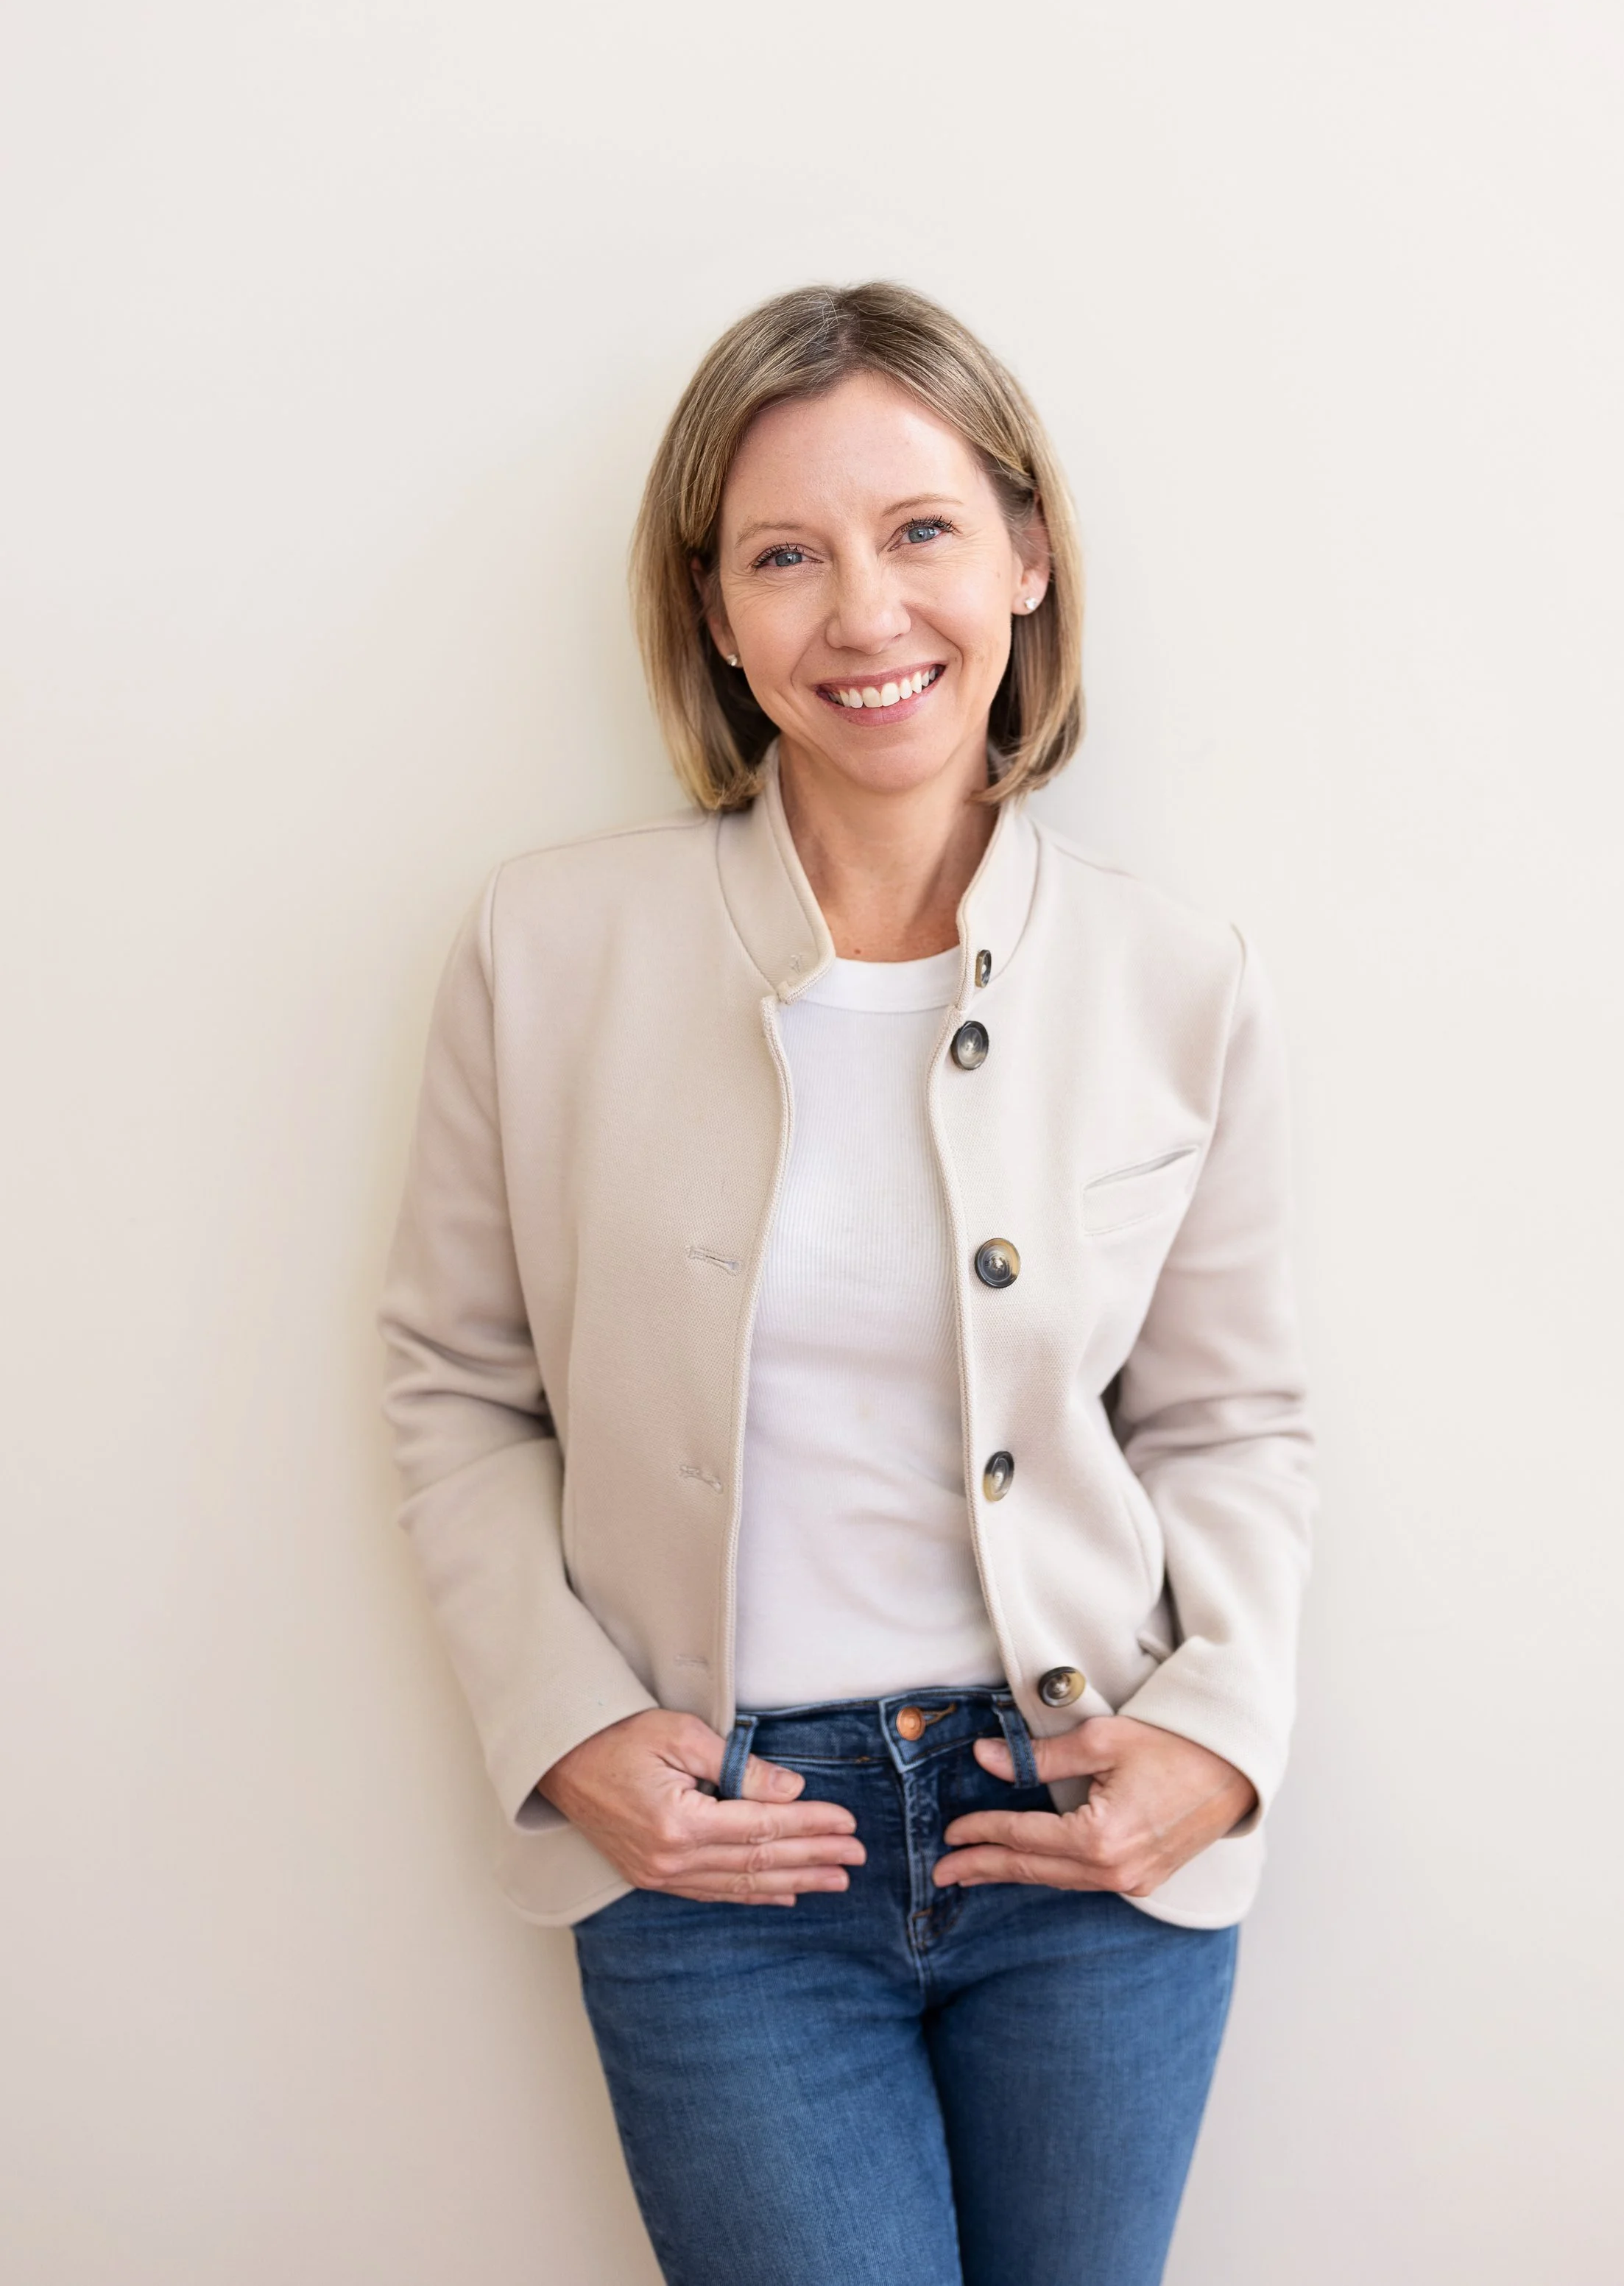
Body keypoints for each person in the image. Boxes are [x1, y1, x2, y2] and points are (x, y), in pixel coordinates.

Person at [378, 281, 1315, 2286]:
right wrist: (561, 1726)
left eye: (920, 534)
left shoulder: (1175, 977)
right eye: (783, 556)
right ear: (714, 615)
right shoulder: (546, 950)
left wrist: (1217, 1733)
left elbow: (1231, 1414)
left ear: (1025, 557)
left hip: (1077, 1831)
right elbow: (451, 1380)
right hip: (721, 1853)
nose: (864, 615)